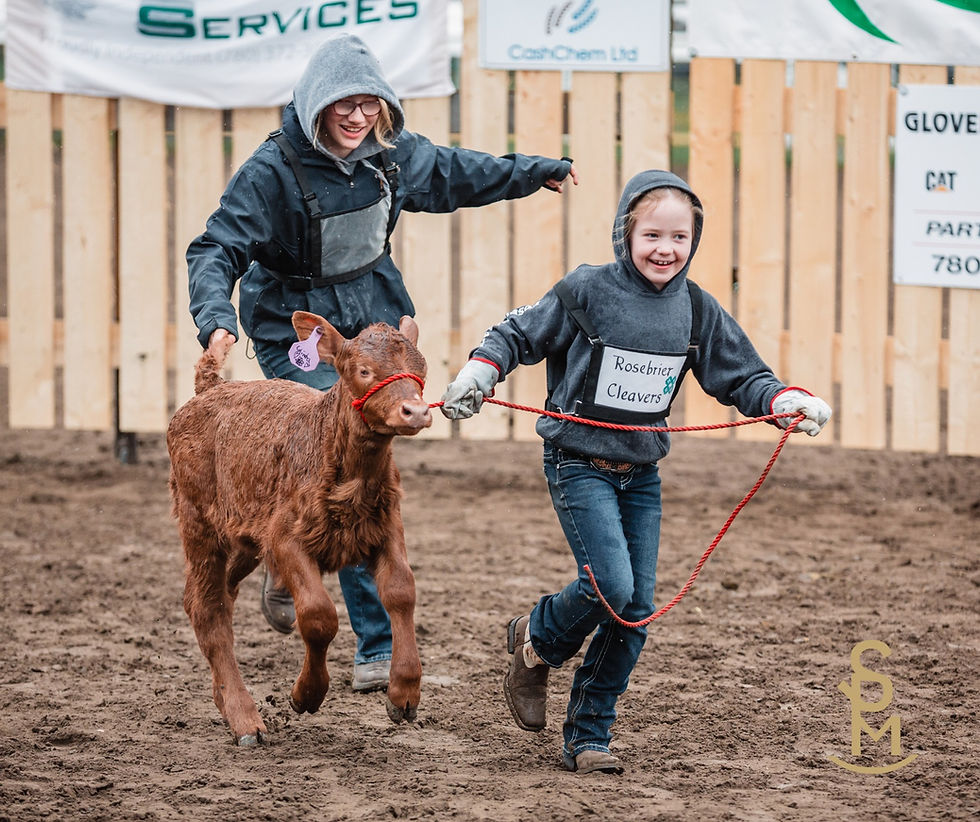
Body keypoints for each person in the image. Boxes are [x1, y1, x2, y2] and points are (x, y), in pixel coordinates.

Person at [185, 33, 578, 694]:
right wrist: (217, 323)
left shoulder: (394, 158)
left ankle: (295, 569)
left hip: (374, 313)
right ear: (315, 103)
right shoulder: (272, 171)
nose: (357, 115)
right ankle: (363, 637)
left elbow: (461, 173)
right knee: (329, 449)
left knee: (359, 469)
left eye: (370, 103)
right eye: (344, 103)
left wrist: (534, 170)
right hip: (300, 325)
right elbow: (216, 246)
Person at [440, 169, 831, 774]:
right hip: (577, 464)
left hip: (640, 474)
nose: (666, 249)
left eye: (680, 237)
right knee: (612, 589)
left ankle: (588, 734)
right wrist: (481, 371)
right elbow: (517, 333)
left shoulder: (697, 308)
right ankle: (538, 637)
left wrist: (783, 401)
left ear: (693, 241)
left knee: (635, 611)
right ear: (626, 231)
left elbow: (743, 375)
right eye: (653, 234)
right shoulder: (586, 291)